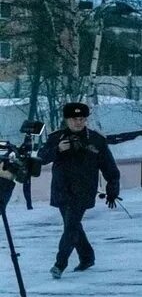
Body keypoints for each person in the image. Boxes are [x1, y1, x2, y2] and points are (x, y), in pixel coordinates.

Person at [37, 102, 120, 278]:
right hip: (61, 188)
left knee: (71, 226)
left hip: (83, 189)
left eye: (82, 119)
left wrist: (112, 187)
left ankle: (60, 264)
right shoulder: (56, 137)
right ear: (67, 120)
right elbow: (41, 158)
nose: (78, 122)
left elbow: (109, 166)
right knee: (72, 226)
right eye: (74, 119)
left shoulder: (96, 139)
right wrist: (57, 149)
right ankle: (87, 256)